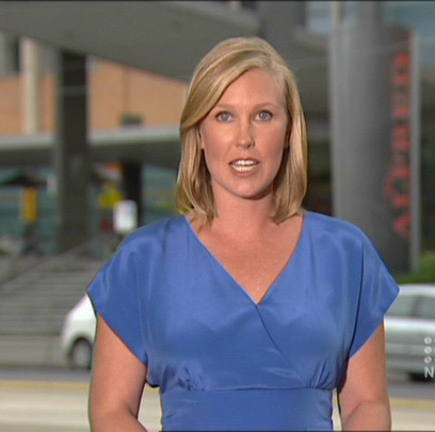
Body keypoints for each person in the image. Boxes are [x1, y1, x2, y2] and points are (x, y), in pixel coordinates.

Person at [87, 36, 399, 431]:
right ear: (199, 133)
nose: (244, 138)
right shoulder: (144, 260)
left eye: (263, 115)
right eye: (224, 116)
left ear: (289, 131)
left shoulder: (346, 254)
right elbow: (110, 410)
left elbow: (367, 404)